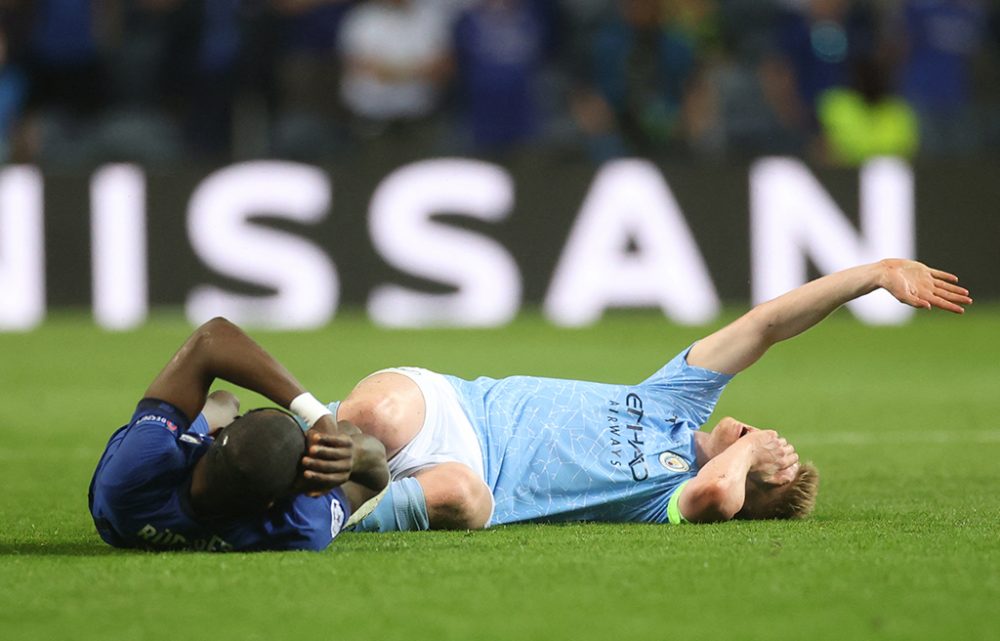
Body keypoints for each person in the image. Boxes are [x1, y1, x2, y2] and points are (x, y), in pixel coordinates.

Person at [332, 259, 971, 530]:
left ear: (748, 484)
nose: (771, 440)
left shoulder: (665, 499)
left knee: (459, 500)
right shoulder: (678, 400)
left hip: (469, 477)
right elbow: (765, 324)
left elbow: (715, 494)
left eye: (774, 462)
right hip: (457, 407)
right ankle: (281, 452)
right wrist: (874, 274)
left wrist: (748, 463)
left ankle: (323, 516)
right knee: (376, 416)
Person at [88, 317, 389, 552]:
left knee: (222, 402)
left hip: (155, 476)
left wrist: (315, 415)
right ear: (272, 503)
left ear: (213, 439)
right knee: (348, 429)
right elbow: (374, 476)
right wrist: (351, 455)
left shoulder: (134, 474)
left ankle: (222, 414)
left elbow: (211, 339)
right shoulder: (298, 525)